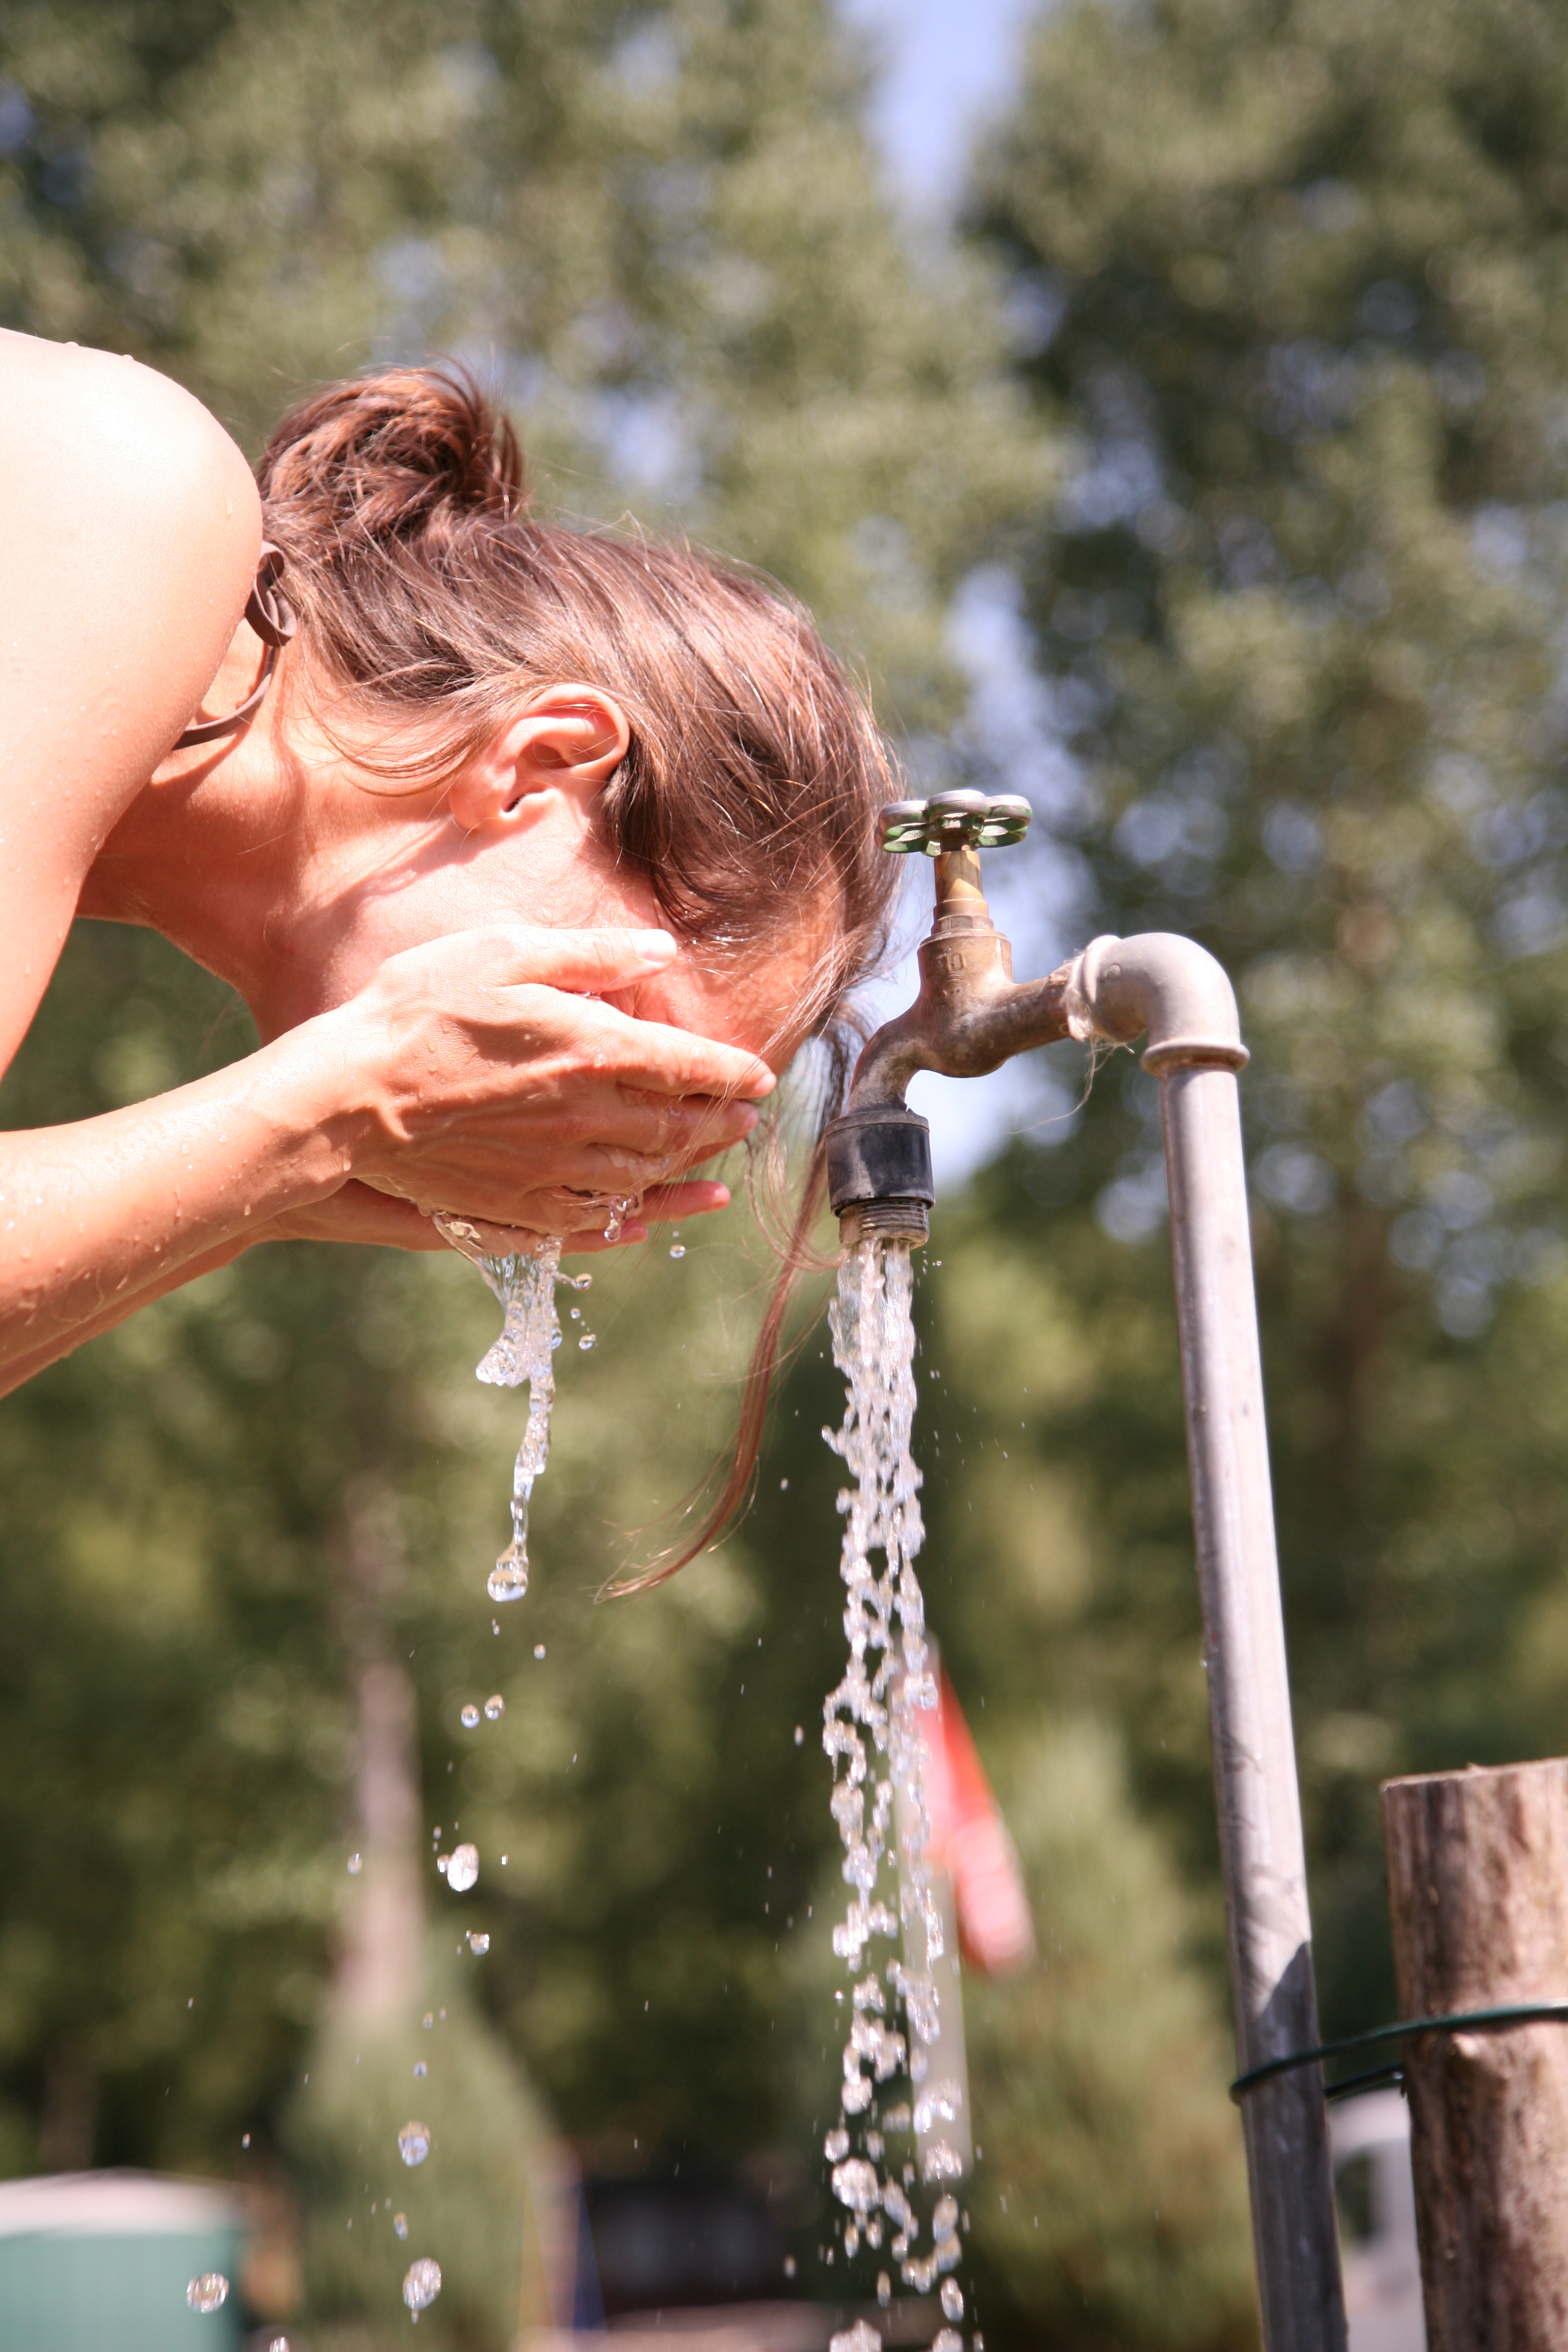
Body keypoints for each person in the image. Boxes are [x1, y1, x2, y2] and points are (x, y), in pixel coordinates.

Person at [0, 333, 899, 1423]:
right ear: (538, 768)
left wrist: (264, 1190)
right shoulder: (124, 488)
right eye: (607, 1026)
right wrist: (320, 1114)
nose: (559, 1123)